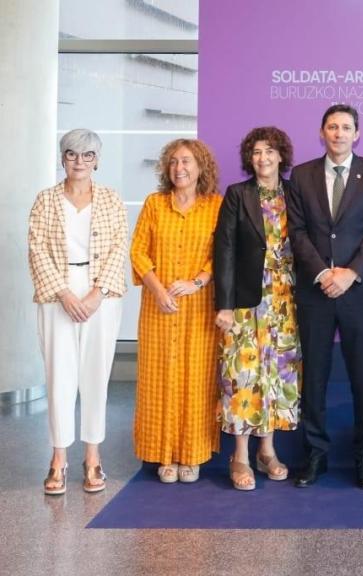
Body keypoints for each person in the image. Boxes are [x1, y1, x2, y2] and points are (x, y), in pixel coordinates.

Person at [287, 104, 363, 489]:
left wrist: (350, 273)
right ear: (322, 132)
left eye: (346, 127)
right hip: (315, 292)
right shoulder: (302, 175)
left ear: (357, 134)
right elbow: (297, 232)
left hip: (357, 292)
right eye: (332, 127)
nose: (339, 133)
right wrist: (322, 273)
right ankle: (315, 454)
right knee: (314, 378)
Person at [29, 129, 126, 494]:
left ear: (97, 160)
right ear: (63, 158)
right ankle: (58, 459)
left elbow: (119, 246)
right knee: (60, 374)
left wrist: (96, 294)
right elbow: (36, 249)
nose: (79, 161)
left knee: (95, 375)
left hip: (102, 293)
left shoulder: (111, 199)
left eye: (87, 155)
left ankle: (92, 456)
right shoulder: (45, 200)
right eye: (72, 154)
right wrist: (65, 294)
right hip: (58, 293)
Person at [213, 126, 302, 491]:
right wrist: (224, 305)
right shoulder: (238, 194)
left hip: (286, 301)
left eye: (269, 151)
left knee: (277, 375)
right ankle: (240, 456)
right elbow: (224, 250)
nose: (263, 158)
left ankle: (267, 451)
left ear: (281, 156)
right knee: (243, 375)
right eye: (256, 152)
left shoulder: (296, 193)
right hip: (247, 301)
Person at [130, 138, 222, 483]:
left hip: (199, 308)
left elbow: (223, 253)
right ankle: (164, 454)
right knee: (159, 379)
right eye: (173, 162)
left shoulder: (216, 206)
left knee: (196, 380)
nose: (179, 168)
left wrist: (198, 281)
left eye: (186, 161)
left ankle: (191, 455)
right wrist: (157, 289)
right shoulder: (155, 204)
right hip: (159, 309)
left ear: (201, 167)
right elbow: (138, 251)